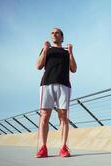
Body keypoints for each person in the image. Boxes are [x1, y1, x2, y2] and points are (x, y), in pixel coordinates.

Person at [35, 28, 77, 158]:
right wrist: (45, 49)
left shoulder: (66, 52)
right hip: (46, 84)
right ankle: (43, 148)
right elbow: (38, 66)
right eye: (52, 33)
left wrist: (71, 52)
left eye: (57, 32)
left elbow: (74, 69)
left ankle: (63, 147)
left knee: (63, 116)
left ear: (62, 37)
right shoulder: (47, 49)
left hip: (64, 85)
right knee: (44, 116)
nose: (54, 34)